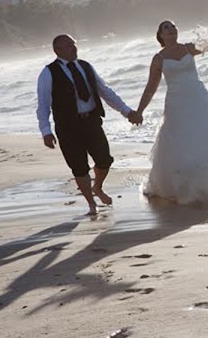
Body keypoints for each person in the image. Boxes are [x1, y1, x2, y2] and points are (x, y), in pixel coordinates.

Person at [135, 20, 208, 204]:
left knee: (207, 139)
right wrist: (139, 111)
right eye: (166, 28)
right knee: (181, 144)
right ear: (161, 36)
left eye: (173, 26)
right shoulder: (159, 58)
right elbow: (150, 88)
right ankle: (181, 187)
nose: (171, 29)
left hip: (199, 99)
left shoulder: (188, 48)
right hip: (176, 104)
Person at [37, 34, 141, 216]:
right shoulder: (48, 73)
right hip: (67, 127)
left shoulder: (85, 66)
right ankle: (91, 204)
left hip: (91, 121)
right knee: (79, 166)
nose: (74, 48)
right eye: (69, 45)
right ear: (57, 50)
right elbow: (43, 104)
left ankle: (97, 187)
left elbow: (105, 92)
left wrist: (126, 111)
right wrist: (46, 131)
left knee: (104, 159)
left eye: (74, 44)